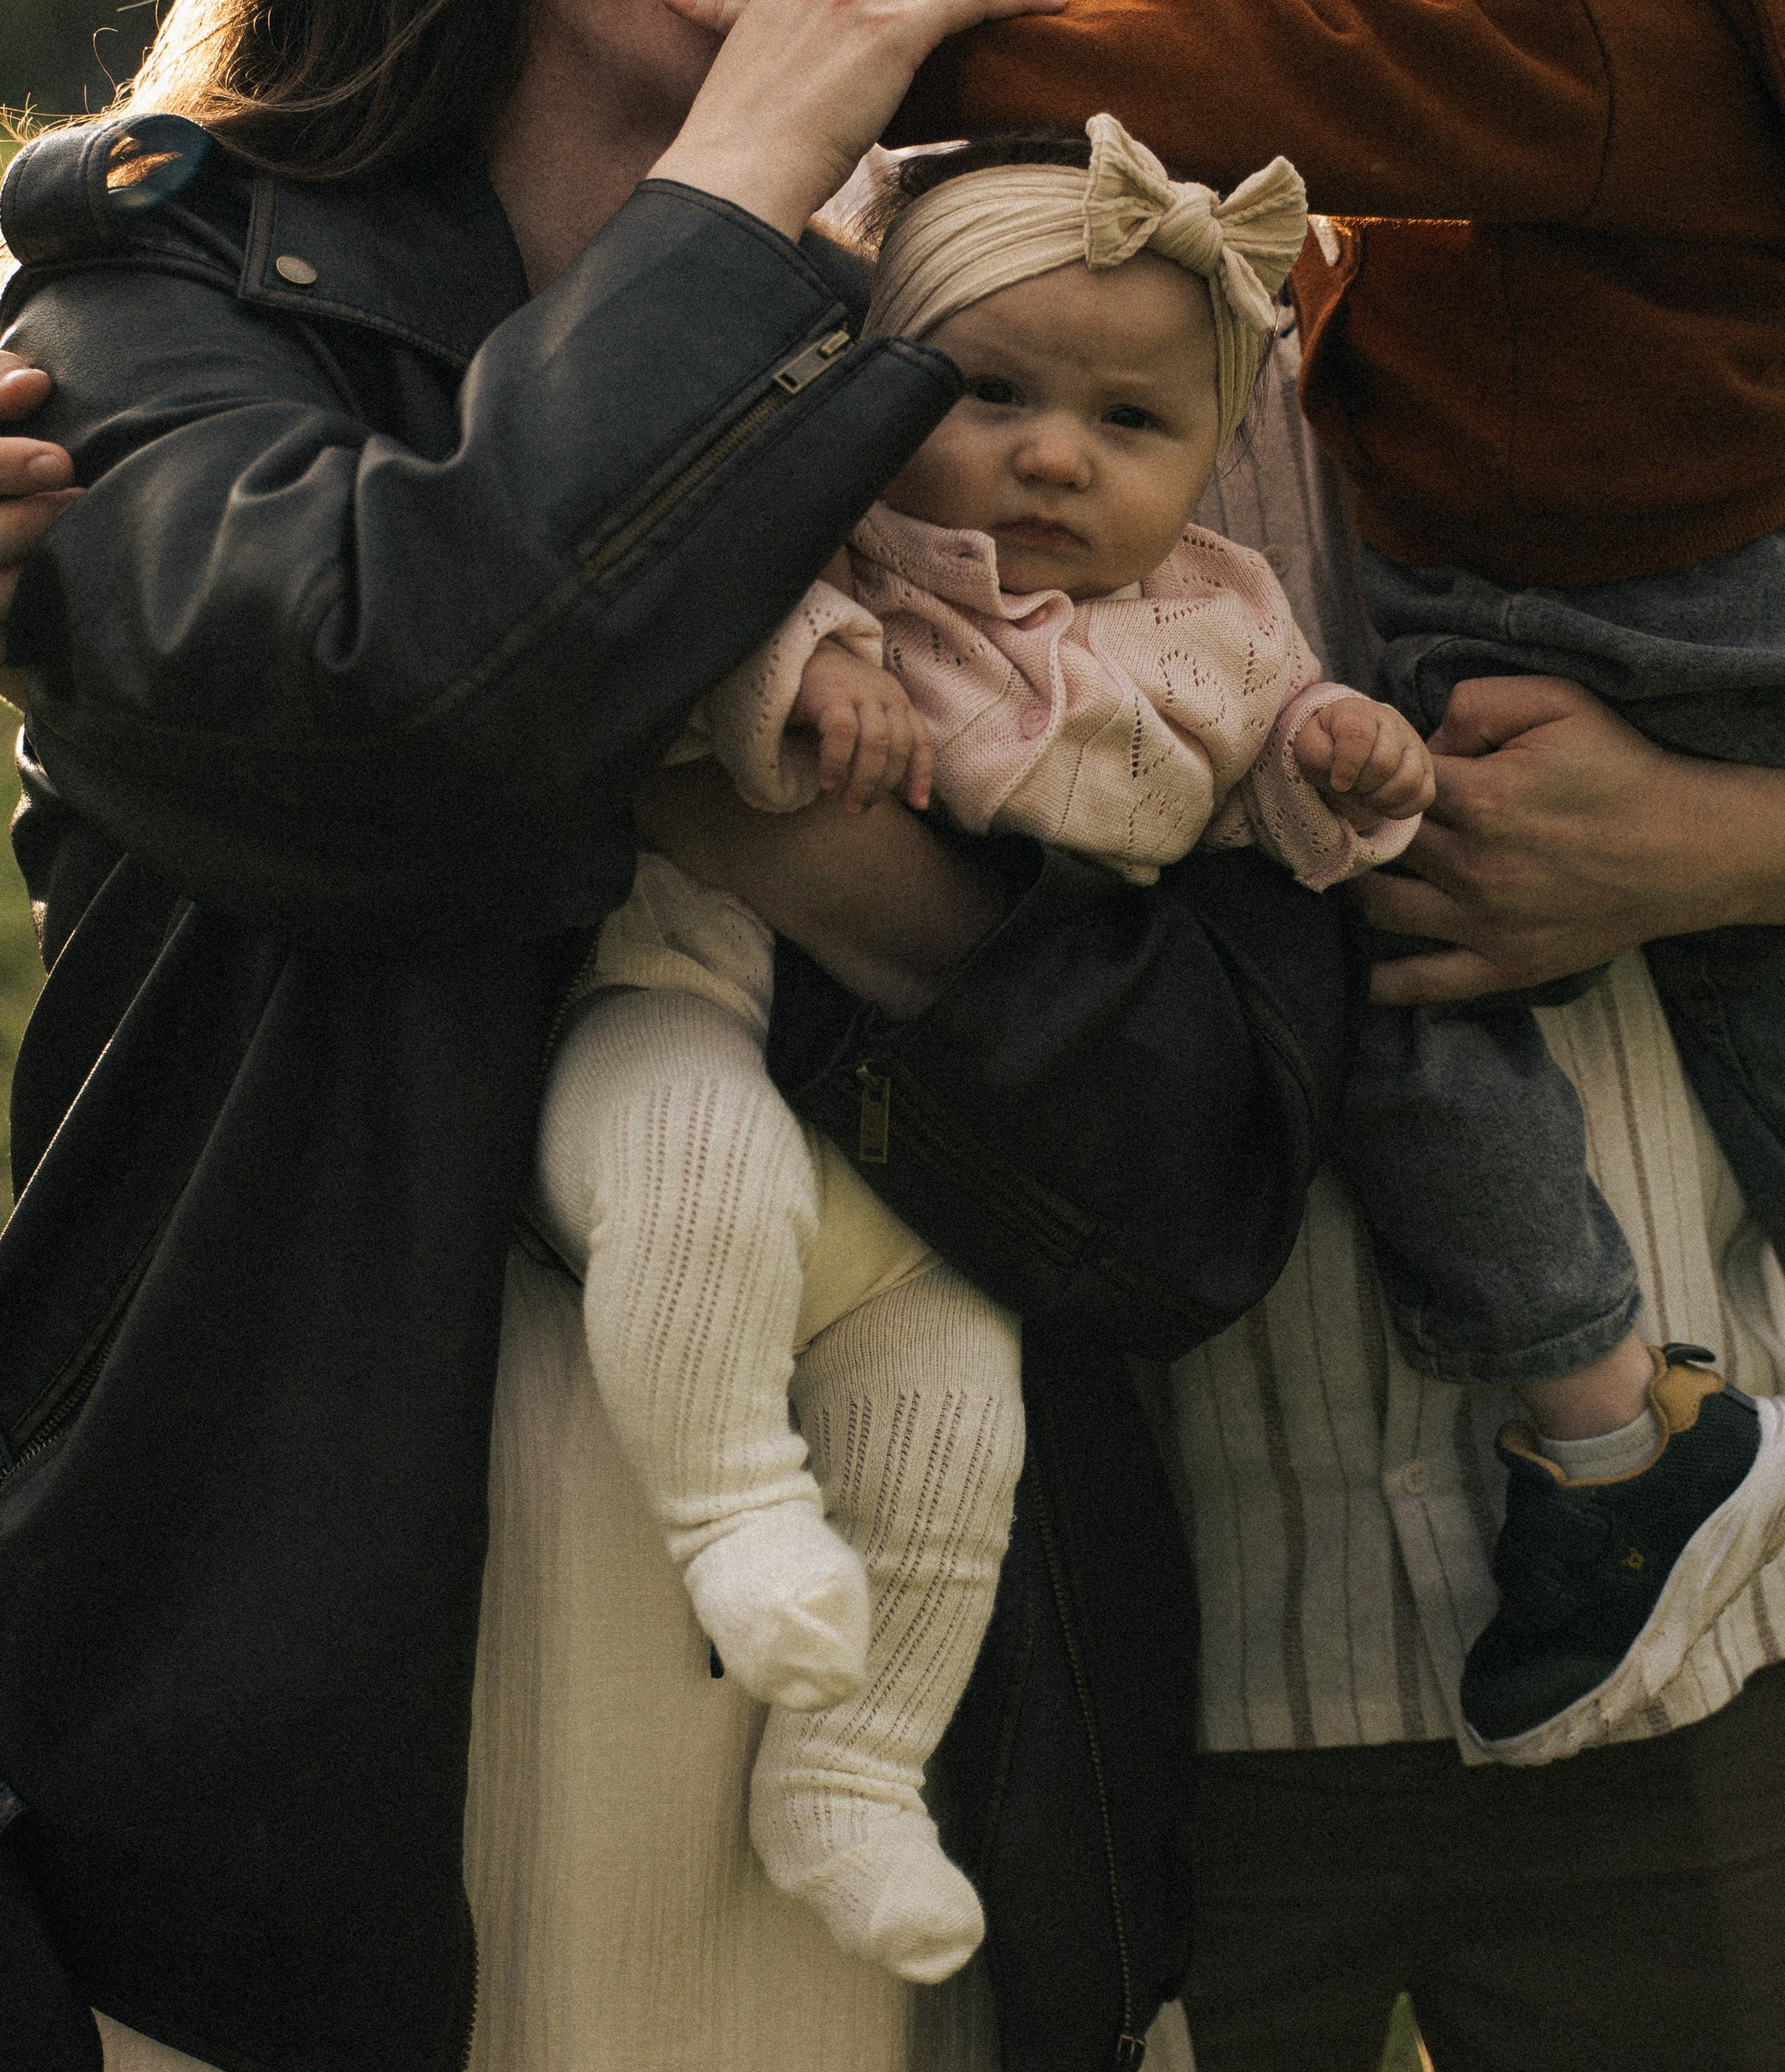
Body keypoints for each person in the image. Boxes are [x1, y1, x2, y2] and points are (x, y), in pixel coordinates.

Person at [0, 0, 1785, 2069]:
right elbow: (404, 651)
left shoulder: (1566, 166)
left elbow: (1175, 1114)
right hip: (938, 1671)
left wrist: (1737, 840)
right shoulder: (808, 314)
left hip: (1578, 1602)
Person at [864, 0, 1785, 1773]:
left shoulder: (1475, 50)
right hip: (1186, 1646)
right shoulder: (823, 252)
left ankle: (1620, 1430)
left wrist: (1729, 845)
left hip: (1699, 1688)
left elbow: (1361, 26)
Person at [540, 113, 1427, 1992]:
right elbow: (695, 602)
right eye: (989, 392)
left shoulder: (1217, 618)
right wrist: (804, 671)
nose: (1051, 455)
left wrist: (1334, 772)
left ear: (1207, 457)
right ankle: (732, 1511)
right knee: (698, 1183)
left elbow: (1265, 792)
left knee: (957, 1428)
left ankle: (849, 1777)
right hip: (699, 998)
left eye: (1128, 423)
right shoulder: (834, 540)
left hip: (943, 1145)